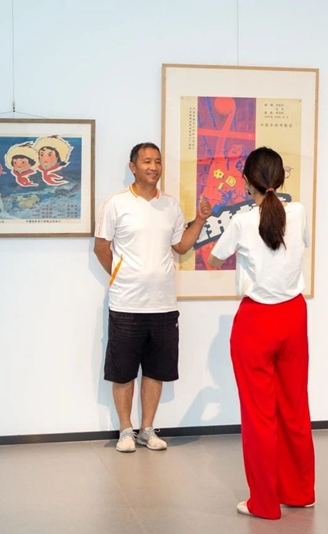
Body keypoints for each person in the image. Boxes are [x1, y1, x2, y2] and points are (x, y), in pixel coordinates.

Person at [207, 147, 315, 520]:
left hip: (256, 322)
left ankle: (264, 504)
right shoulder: (298, 212)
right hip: (293, 316)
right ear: (282, 178)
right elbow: (303, 244)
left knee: (259, 417)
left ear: (245, 182)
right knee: (295, 407)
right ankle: (300, 492)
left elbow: (214, 259)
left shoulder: (241, 221)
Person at [94, 142, 212, 453]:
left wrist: (200, 220)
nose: (154, 167)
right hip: (126, 304)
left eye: (158, 161)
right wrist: (120, 276)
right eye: (147, 161)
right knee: (123, 371)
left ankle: (147, 429)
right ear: (132, 167)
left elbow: (181, 246)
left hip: (163, 305)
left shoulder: (170, 205)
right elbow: (101, 248)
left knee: (156, 370)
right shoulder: (116, 203)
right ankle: (125, 430)